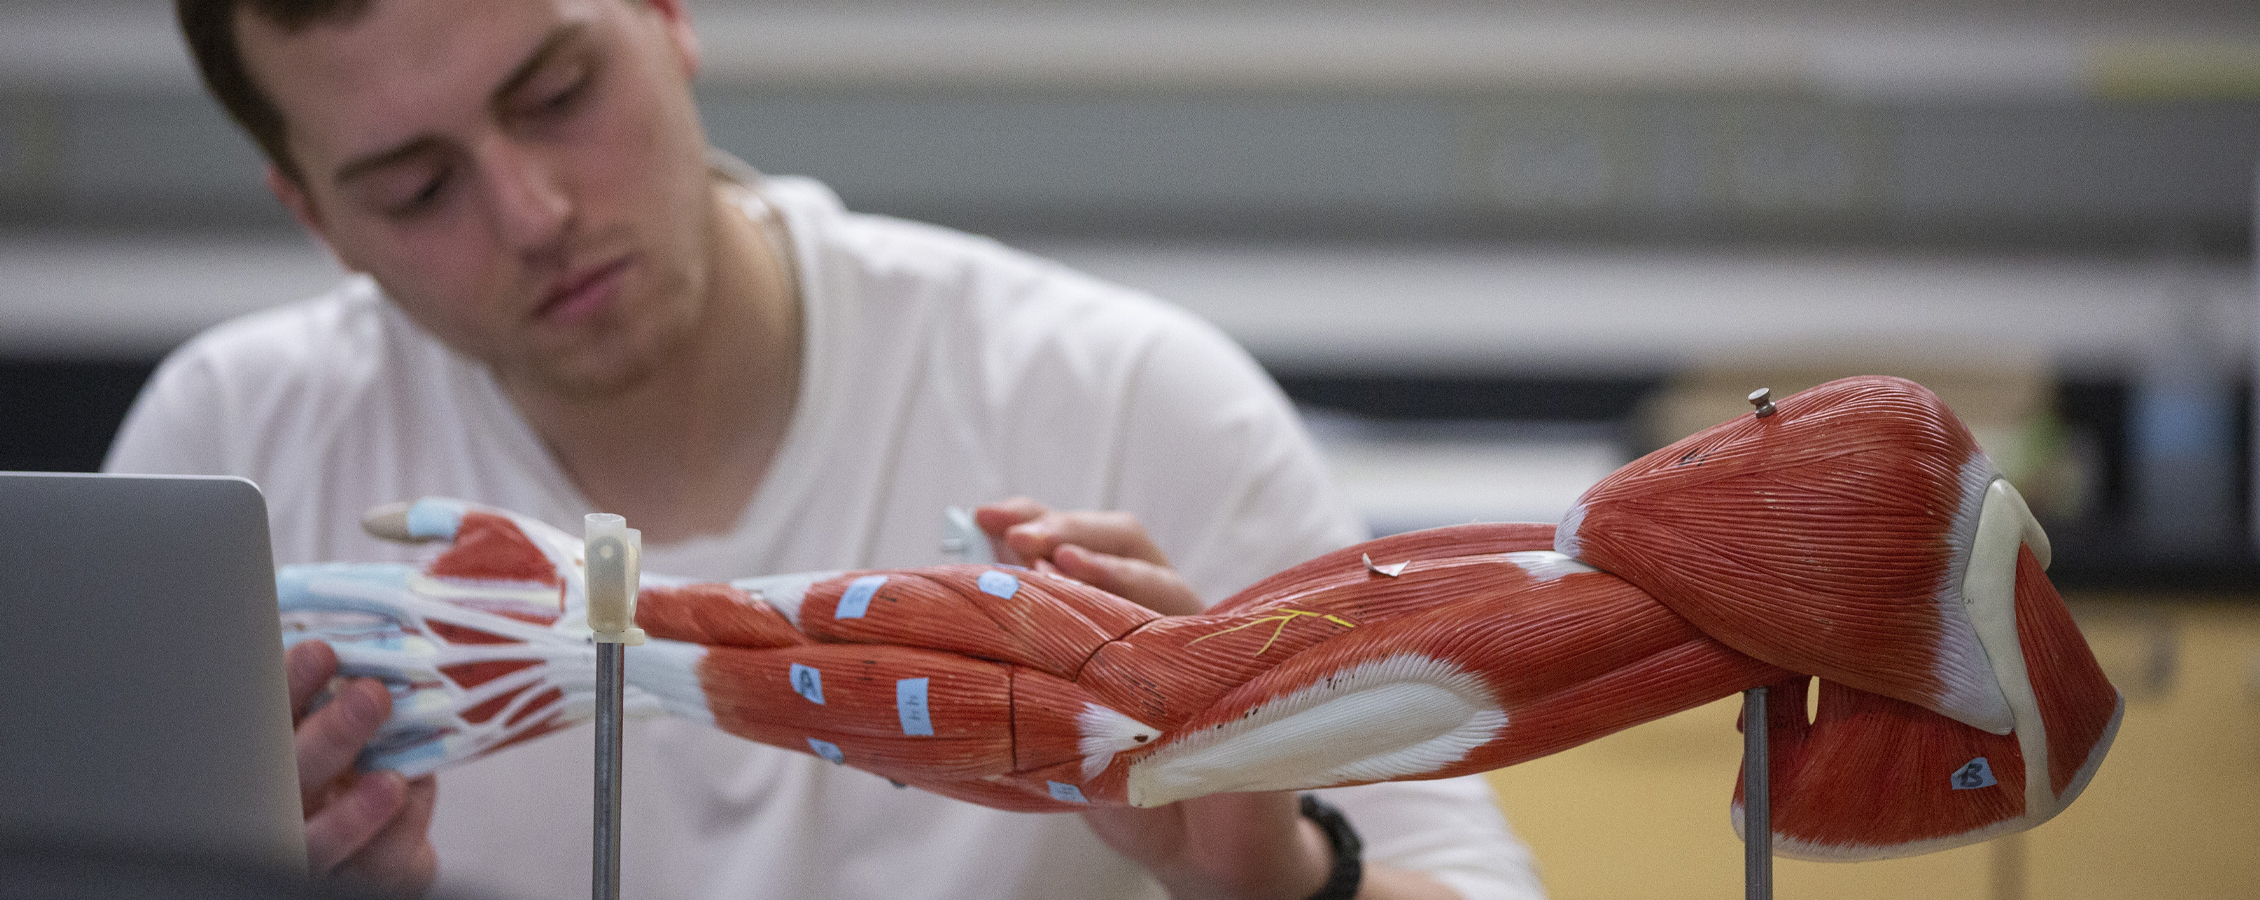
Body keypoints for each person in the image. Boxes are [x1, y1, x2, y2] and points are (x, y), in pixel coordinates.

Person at [109, 0, 1546, 898]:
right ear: (313, 217)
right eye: (416, 188)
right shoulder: (223, 460)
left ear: (666, 16)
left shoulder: (1128, 403)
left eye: (557, 95)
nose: (533, 210)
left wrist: (1279, 880)